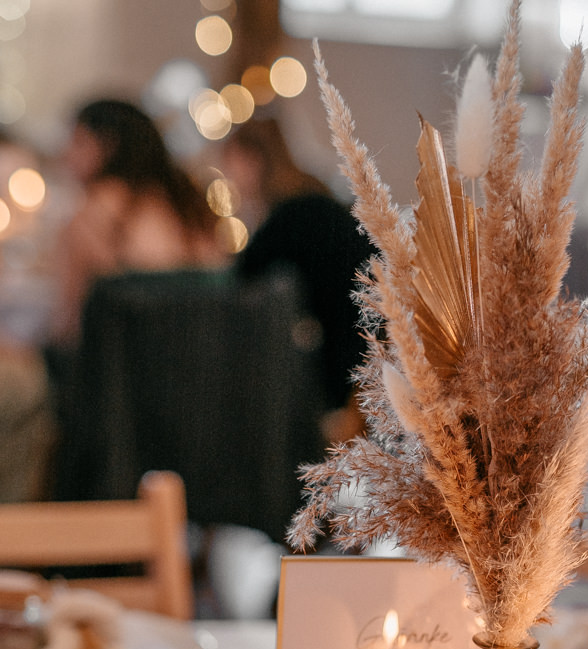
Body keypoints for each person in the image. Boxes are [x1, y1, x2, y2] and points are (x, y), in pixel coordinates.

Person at [228, 118, 373, 441]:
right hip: (373, 348)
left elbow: (241, 279)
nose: (230, 179)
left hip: (347, 364)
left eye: (231, 165)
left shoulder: (288, 215)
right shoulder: (315, 196)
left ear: (252, 160)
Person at [50, 98, 223, 347]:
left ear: (108, 147)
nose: (65, 153)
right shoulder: (187, 202)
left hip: (125, 369)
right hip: (202, 362)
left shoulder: (92, 212)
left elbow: (66, 326)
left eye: (78, 141)